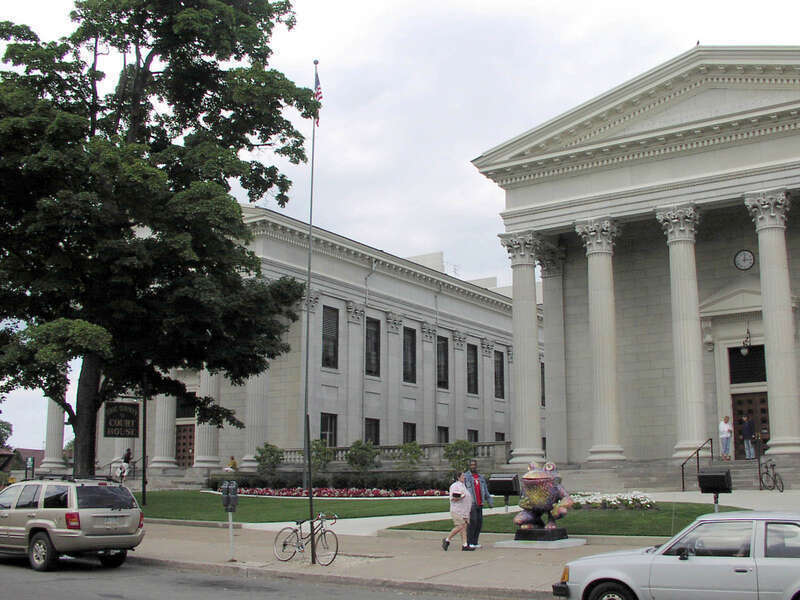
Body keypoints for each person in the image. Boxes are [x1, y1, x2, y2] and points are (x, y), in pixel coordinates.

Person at [463, 459, 493, 549]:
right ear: (469, 466)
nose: (473, 466)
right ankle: (470, 542)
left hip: (480, 503)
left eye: (474, 465)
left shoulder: (480, 477)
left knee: (479, 523)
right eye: (471, 465)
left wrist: (489, 500)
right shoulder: (466, 477)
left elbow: (485, 490)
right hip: (471, 503)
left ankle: (475, 542)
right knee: (473, 522)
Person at [442, 472, 473, 551]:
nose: (464, 477)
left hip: (464, 511)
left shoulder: (463, 485)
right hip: (457, 510)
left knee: (464, 528)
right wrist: (462, 496)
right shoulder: (455, 486)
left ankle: (465, 545)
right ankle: (447, 540)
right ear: (458, 477)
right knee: (460, 526)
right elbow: (454, 498)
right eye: (463, 476)